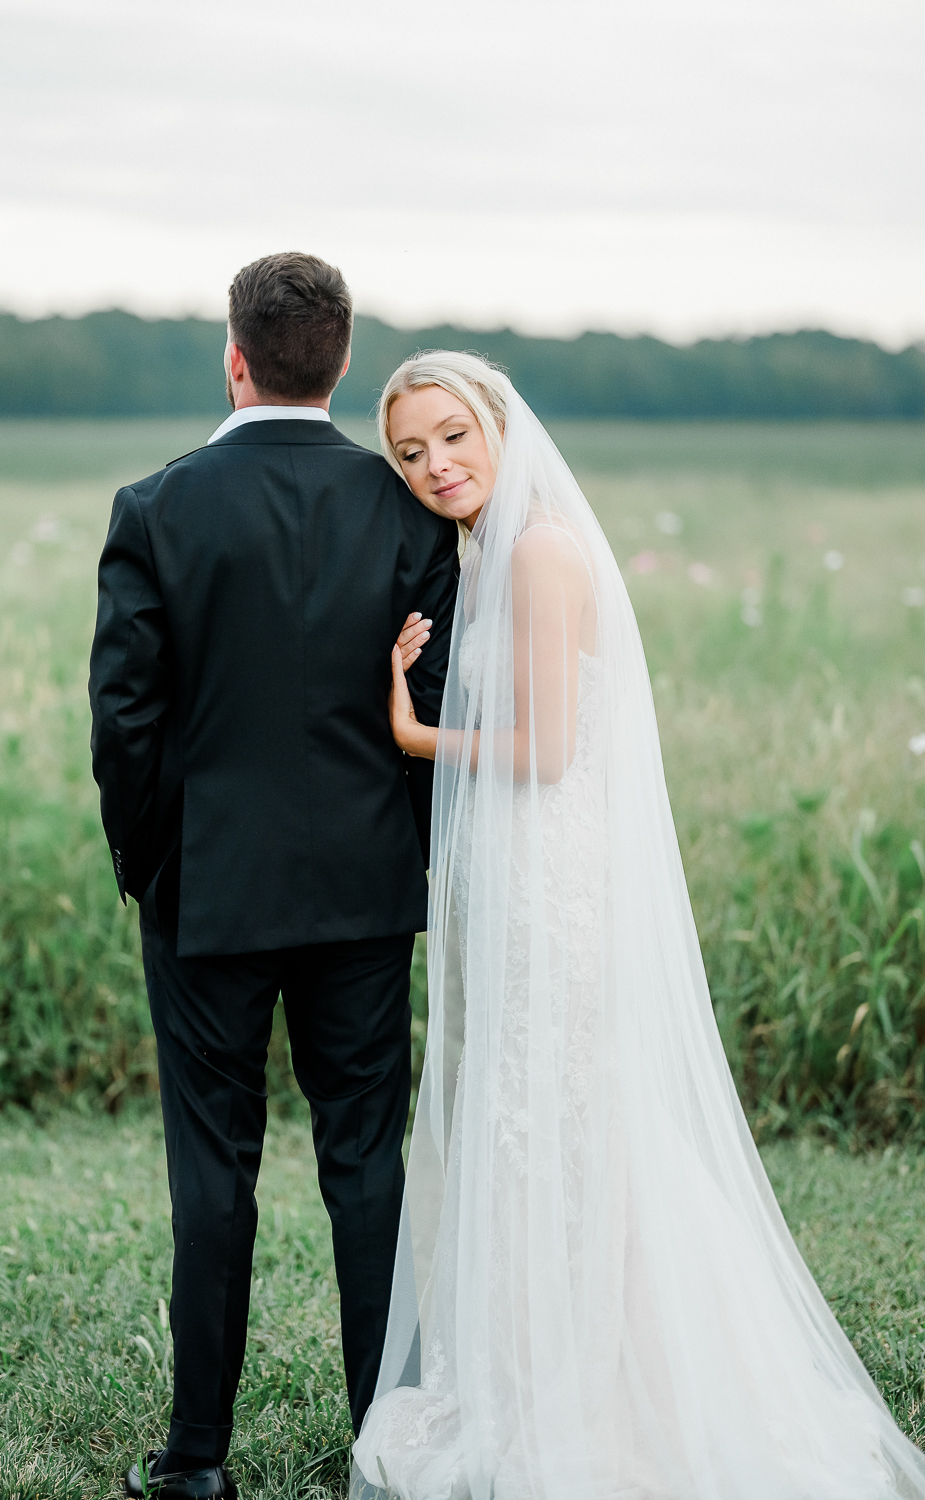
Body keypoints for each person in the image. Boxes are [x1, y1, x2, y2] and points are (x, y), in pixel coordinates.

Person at [352, 350, 925, 1500]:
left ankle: (609, 1388)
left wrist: (413, 733)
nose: (434, 466)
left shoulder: (544, 551)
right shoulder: (489, 551)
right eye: (410, 452)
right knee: (540, 1114)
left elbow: (549, 752)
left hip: (555, 880)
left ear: (502, 426)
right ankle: (541, 1365)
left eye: (453, 437)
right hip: (518, 870)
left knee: (563, 1116)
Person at [88, 254, 459, 1500]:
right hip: (364, 892)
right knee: (369, 1165)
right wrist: (397, 848)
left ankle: (195, 1463)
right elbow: (434, 708)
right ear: (342, 364)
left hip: (209, 893)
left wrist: (149, 866)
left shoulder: (156, 508)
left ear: (235, 356)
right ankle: (389, 1453)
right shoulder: (409, 514)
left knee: (213, 1168)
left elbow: (125, 723)